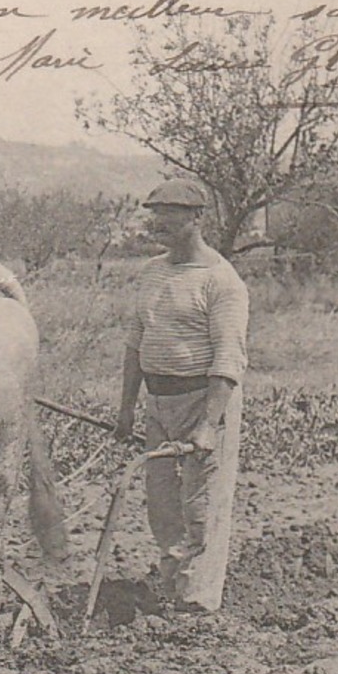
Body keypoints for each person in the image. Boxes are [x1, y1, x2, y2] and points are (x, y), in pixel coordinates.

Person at [114, 179, 250, 611]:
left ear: (197, 218)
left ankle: (198, 604)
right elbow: (136, 342)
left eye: (172, 213)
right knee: (162, 506)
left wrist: (209, 425)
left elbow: (229, 359)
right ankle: (173, 588)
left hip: (203, 400)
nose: (161, 222)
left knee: (202, 506)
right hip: (159, 401)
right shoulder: (153, 271)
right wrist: (126, 410)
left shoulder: (221, 281)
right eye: (156, 213)